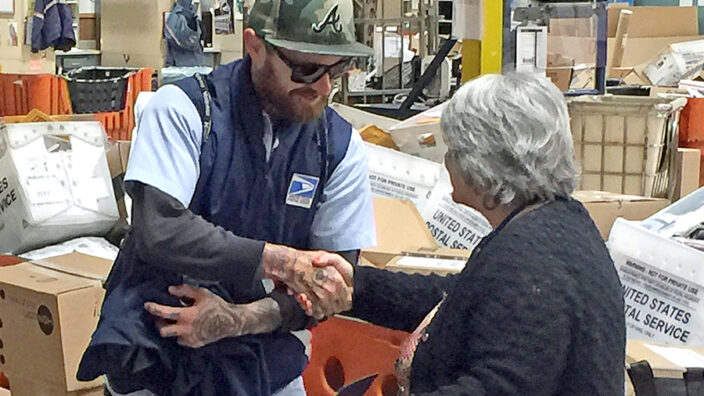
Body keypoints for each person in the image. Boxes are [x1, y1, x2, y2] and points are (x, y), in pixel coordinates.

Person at [172, 72, 626, 395]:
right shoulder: (553, 227)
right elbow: (462, 298)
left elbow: (498, 383)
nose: (446, 162)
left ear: (483, 164)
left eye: (453, 150)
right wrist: (356, 286)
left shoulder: (534, 263)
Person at [76, 0, 374, 395]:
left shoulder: (337, 146)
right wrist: (282, 262)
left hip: (267, 367)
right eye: (306, 69)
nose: (324, 87)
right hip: (158, 361)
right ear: (255, 47)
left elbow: (333, 284)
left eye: (336, 69)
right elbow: (160, 229)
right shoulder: (184, 111)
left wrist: (238, 319)